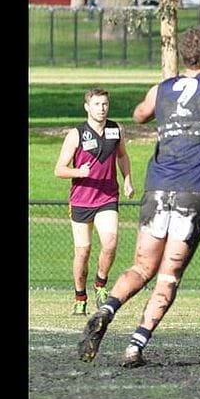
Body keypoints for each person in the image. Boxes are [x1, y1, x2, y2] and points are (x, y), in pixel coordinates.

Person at [78, 27, 200, 367]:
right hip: (195, 191)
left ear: (184, 57)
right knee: (168, 274)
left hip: (157, 187)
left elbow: (140, 114)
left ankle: (106, 310)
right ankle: (134, 346)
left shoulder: (164, 88)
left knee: (142, 266)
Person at [54, 88, 133, 315]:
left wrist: (127, 179)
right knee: (83, 252)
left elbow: (122, 156)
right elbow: (59, 170)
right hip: (81, 200)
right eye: (97, 104)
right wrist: (79, 172)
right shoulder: (76, 134)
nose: (102, 108)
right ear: (87, 107)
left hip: (107, 196)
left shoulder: (116, 130)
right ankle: (80, 297)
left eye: (105, 104)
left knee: (109, 243)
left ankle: (100, 284)